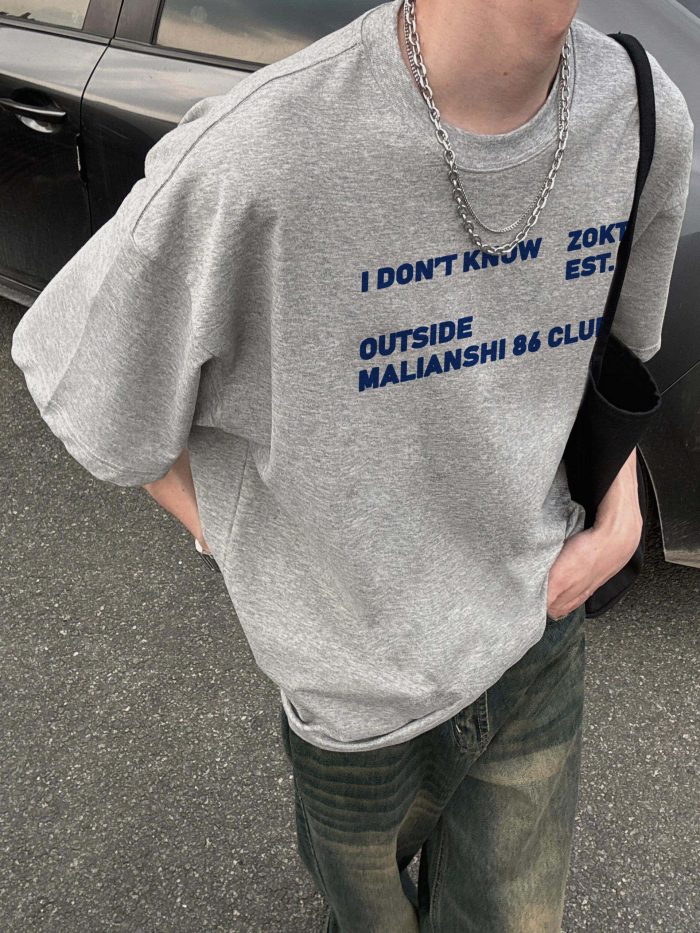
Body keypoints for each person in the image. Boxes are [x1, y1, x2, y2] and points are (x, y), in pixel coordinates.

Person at [11, 0, 693, 929]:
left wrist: (621, 518)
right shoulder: (261, 152)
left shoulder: (641, 114)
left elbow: (605, 350)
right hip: (353, 708)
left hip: (536, 638)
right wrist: (232, 540)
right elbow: (77, 369)